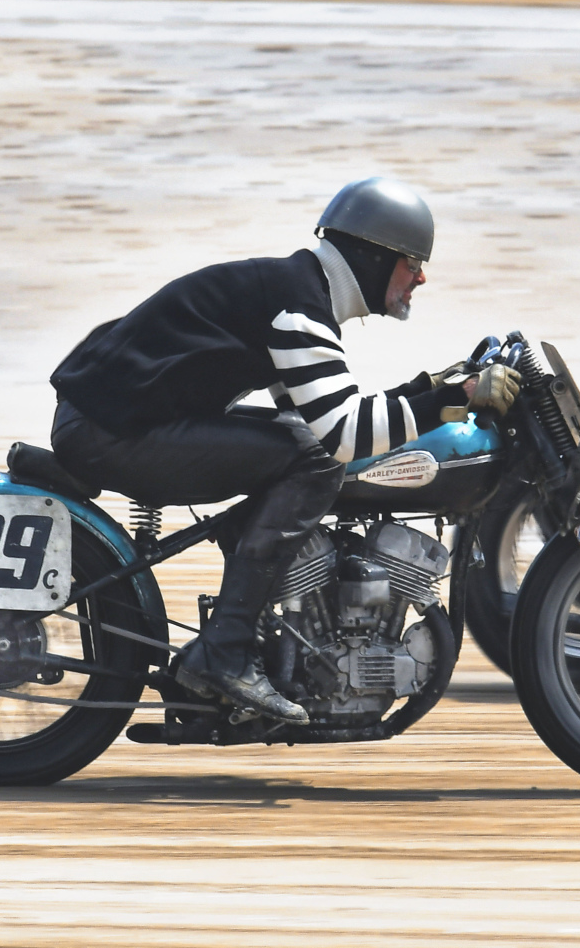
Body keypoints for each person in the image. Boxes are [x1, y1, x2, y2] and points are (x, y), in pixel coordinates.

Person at [48, 177, 521, 723]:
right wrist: (447, 400)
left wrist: (428, 391)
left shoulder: (293, 290)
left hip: (109, 420)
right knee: (316, 460)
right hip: (109, 433)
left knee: (302, 445)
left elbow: (314, 412)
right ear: (373, 256)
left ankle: (254, 588)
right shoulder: (297, 308)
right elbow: (341, 437)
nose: (421, 276)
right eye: (412, 260)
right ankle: (227, 650)